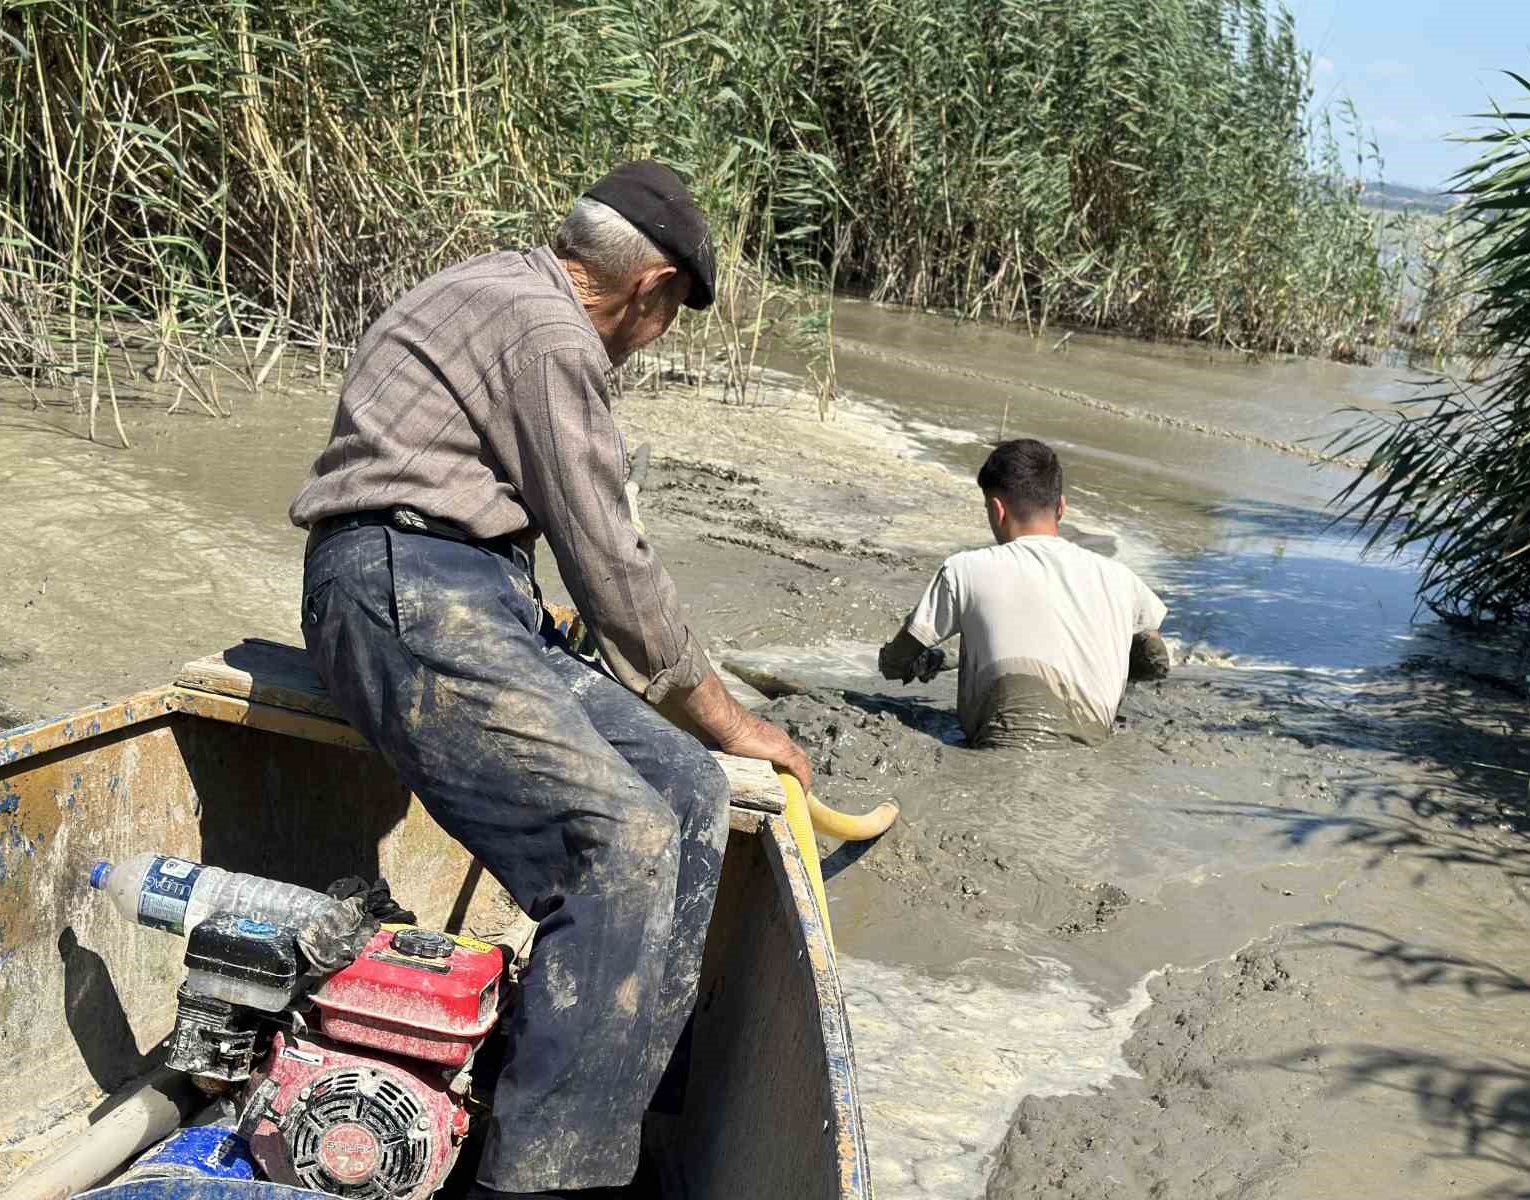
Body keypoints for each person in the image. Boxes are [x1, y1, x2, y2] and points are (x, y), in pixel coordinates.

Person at [289, 161, 812, 1200]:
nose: (654, 338)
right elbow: (612, 565)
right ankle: (541, 1182)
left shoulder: (494, 287)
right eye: (669, 316)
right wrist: (727, 716)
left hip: (459, 589)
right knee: (618, 842)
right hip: (402, 588)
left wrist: (699, 743)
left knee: (687, 789)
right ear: (650, 286)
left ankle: (611, 1116)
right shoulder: (551, 335)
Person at [878, 438, 1168, 748]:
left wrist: (919, 659)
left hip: (1001, 743)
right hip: (1090, 747)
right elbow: (1156, 660)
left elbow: (894, 665)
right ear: (1061, 507)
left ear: (996, 509)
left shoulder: (964, 569)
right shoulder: (1121, 579)